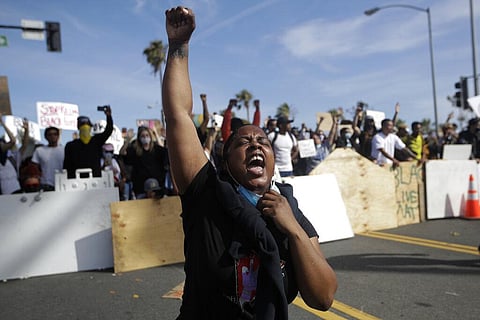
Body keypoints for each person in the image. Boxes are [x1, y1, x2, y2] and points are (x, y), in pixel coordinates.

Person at [162, 6, 337, 319]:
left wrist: (293, 230)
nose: (256, 145)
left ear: (272, 160)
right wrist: (178, 47)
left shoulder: (290, 209)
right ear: (226, 162)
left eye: (263, 143)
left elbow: (322, 298)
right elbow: (178, 115)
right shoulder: (206, 193)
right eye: (243, 142)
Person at [63, 107, 113, 178]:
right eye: (82, 125)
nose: (85, 127)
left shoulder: (96, 141)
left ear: (90, 127)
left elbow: (108, 130)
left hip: (95, 180)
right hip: (76, 182)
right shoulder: (71, 145)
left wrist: (109, 116)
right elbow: (66, 165)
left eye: (86, 125)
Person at [120, 126, 167, 199]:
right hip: (141, 189)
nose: (145, 138)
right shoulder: (135, 150)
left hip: (157, 187)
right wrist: (128, 139)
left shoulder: (156, 149)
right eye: (142, 136)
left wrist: (157, 134)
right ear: (139, 138)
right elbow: (122, 153)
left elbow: (164, 151)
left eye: (147, 135)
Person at [31, 126, 64, 191]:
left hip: (63, 183)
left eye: (55, 134)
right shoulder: (39, 150)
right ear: (45, 137)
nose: (52, 136)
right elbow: (34, 167)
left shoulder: (65, 149)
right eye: (50, 134)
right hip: (46, 185)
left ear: (58, 136)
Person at [0, 112, 21, 194]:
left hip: (15, 189)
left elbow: (12, 141)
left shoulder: (9, 160)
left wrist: (2, 123)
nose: (3, 145)